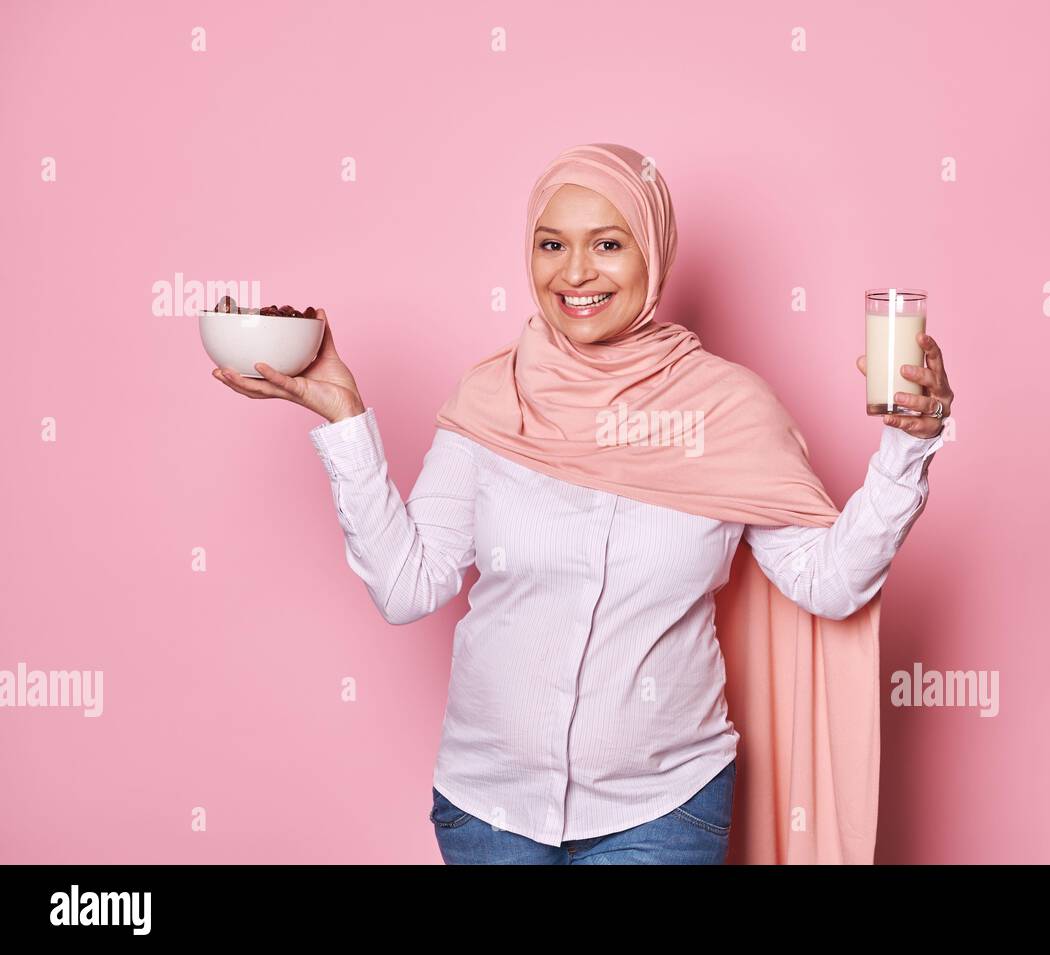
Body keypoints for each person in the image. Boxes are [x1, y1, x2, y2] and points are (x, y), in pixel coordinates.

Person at [213, 143, 955, 865]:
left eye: (607, 244)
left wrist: (907, 448)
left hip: (664, 807)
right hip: (488, 807)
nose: (574, 273)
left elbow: (830, 583)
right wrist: (345, 418)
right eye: (550, 244)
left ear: (654, 254)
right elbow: (408, 588)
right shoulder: (491, 398)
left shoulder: (728, 411)